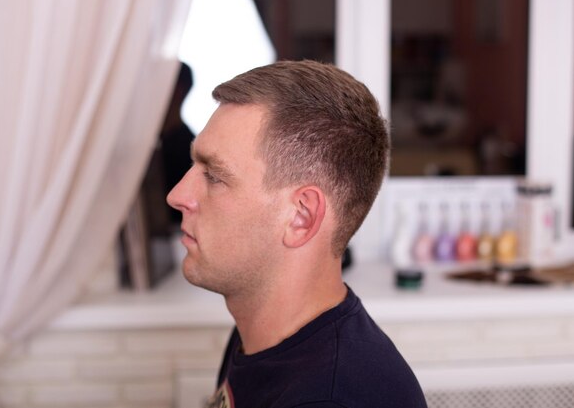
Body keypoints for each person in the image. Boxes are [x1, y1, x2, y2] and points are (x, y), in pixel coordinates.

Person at [166, 60, 427, 408]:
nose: (177, 196)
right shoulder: (260, 333)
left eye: (214, 176)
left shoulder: (330, 398)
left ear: (300, 217)